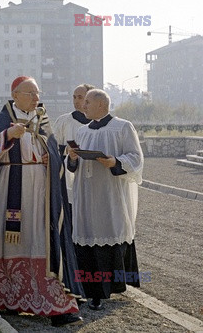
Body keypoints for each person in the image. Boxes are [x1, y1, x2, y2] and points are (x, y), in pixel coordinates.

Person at [0, 76, 85, 327]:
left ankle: (56, 305)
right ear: (16, 94)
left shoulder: (42, 119)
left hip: (40, 191)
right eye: (31, 93)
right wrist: (8, 135)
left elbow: (53, 152)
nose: (37, 98)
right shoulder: (4, 119)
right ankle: (7, 297)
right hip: (10, 186)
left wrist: (51, 160)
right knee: (10, 241)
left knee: (41, 239)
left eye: (38, 93)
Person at [67, 89, 144, 311]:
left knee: (109, 232)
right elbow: (71, 166)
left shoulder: (122, 127)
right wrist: (72, 158)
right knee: (86, 236)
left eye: (88, 102)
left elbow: (136, 158)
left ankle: (103, 291)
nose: (83, 105)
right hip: (85, 193)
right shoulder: (82, 131)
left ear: (102, 105)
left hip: (110, 193)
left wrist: (115, 162)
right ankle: (87, 290)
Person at [53, 84, 94, 223]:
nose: (76, 100)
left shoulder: (99, 122)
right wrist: (67, 151)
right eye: (74, 97)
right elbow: (52, 147)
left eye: (80, 97)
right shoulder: (63, 121)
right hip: (68, 177)